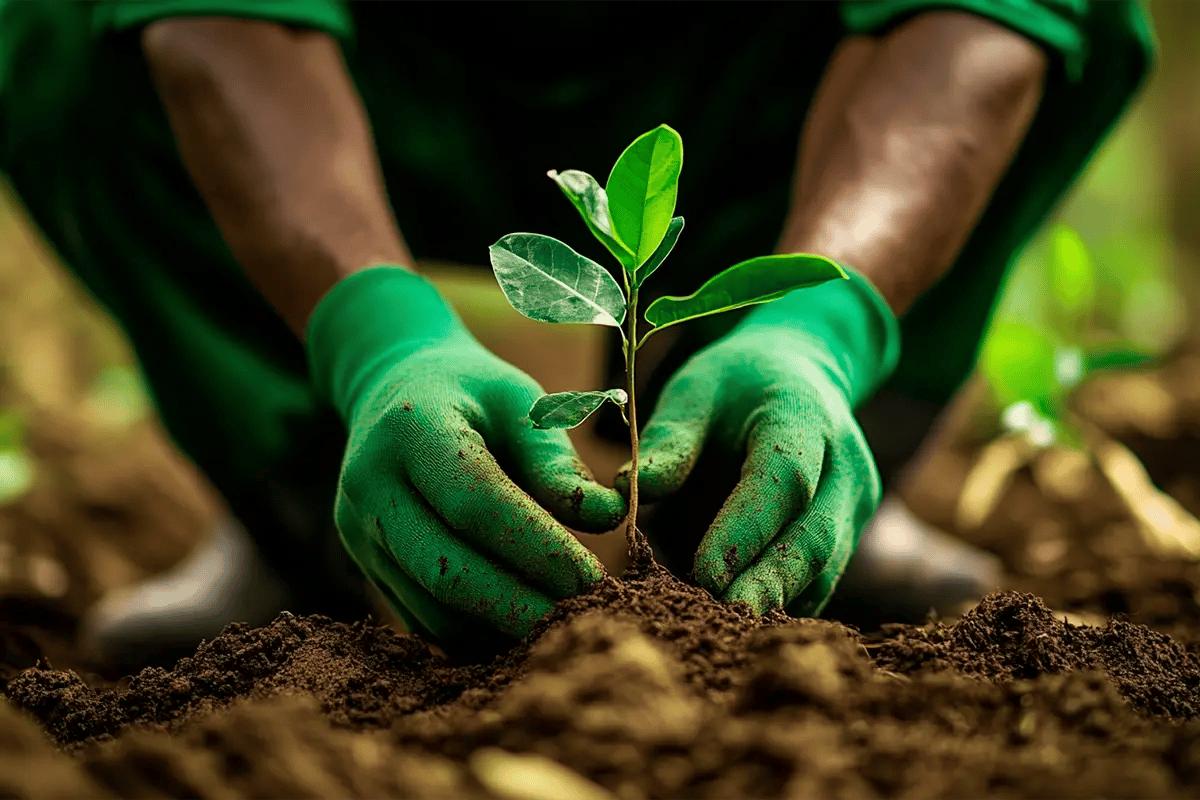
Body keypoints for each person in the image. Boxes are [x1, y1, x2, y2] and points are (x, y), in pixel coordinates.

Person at [0, 1, 1152, 670]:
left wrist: (821, 322)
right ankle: (302, 510)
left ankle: (792, 487)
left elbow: (991, 13)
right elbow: (213, 20)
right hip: (385, 91)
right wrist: (377, 338)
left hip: (757, 84)